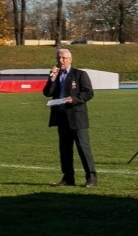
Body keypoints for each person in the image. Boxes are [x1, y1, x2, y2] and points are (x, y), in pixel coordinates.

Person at [42, 48, 98, 187]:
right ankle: (68, 178)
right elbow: (47, 93)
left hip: (77, 117)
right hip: (61, 117)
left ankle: (91, 178)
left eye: (64, 58)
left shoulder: (79, 74)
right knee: (65, 149)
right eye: (59, 58)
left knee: (83, 148)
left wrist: (73, 99)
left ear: (70, 59)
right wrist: (52, 78)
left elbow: (89, 93)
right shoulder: (56, 75)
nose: (61, 61)